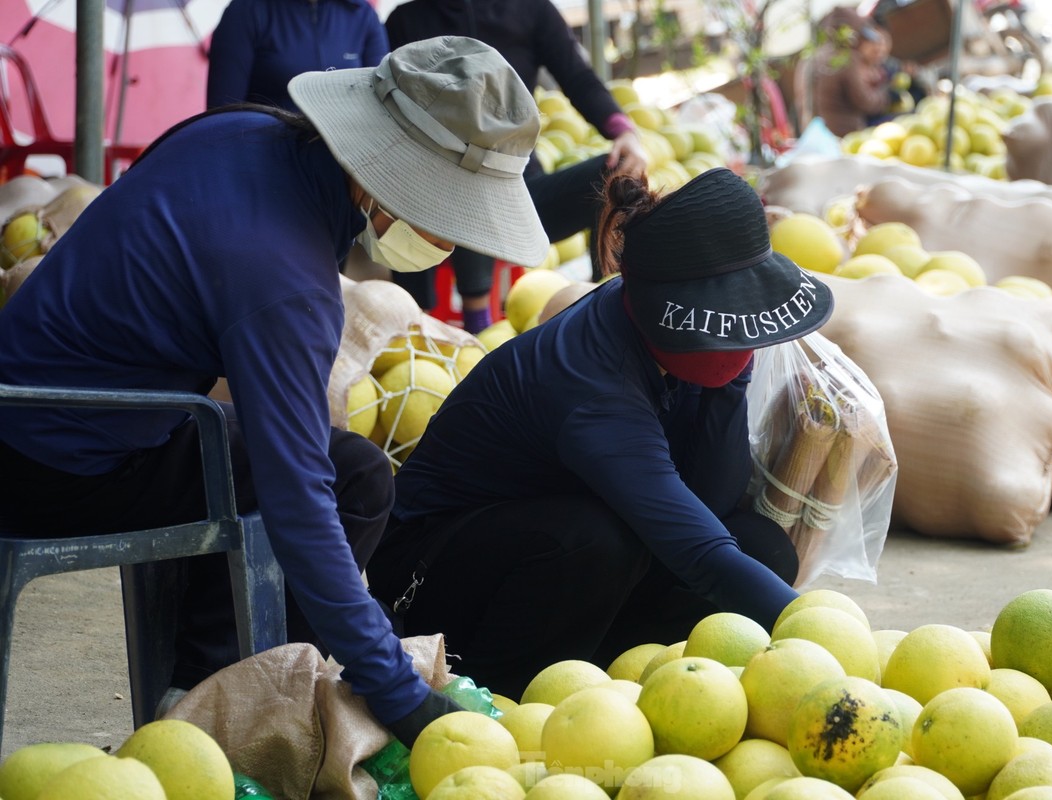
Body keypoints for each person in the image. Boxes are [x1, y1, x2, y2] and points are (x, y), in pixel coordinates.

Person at [0, 37, 549, 747]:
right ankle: (217, 705)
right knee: (351, 482)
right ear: (388, 180)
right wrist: (401, 696)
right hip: (56, 466)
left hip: (39, 407)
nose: (450, 239)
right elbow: (300, 504)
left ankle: (193, 675)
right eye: (450, 214)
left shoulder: (239, 129)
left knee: (301, 461)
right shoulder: (284, 280)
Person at [365, 167, 836, 698]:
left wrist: (730, 379)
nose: (741, 330)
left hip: (551, 547)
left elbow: (713, 500)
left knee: (761, 548)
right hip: (431, 575)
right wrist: (835, 644)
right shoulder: (592, 386)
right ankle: (500, 691)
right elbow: (701, 553)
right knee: (596, 542)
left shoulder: (666, 337)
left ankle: (601, 666)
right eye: (731, 315)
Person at [384, 0, 650, 333]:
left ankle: (605, 306)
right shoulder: (406, 21)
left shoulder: (531, 10)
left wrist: (623, 131)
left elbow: (577, 76)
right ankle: (461, 329)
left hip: (520, 197)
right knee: (465, 170)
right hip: (433, 204)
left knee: (620, 172)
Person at [206, 0, 389, 111]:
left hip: (345, 157)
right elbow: (222, 111)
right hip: (268, 152)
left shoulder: (362, 14)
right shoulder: (246, 10)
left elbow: (381, 103)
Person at [794, 15, 894, 138]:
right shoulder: (846, 58)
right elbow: (864, 101)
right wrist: (886, 95)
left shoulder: (807, 60)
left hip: (814, 135)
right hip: (844, 136)